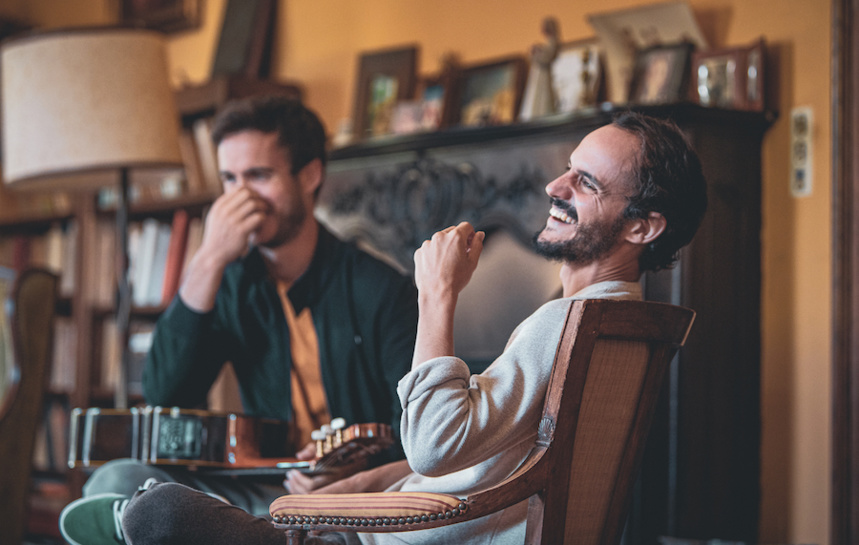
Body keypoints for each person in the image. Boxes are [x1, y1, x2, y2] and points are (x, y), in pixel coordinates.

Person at [123, 110, 706, 545]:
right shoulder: (613, 323)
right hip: (381, 513)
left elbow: (432, 444)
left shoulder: (563, 323)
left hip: (398, 534)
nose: (556, 187)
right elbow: (480, 452)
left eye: (587, 183)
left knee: (159, 512)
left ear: (643, 227)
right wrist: (357, 488)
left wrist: (438, 294)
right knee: (140, 488)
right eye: (567, 170)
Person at [59, 96, 418, 545]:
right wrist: (208, 258)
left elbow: (421, 444)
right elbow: (165, 395)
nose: (241, 196)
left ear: (310, 175)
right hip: (261, 492)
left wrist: (348, 484)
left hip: (359, 499)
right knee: (118, 481)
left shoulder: (382, 289)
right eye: (230, 179)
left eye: (259, 176)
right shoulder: (233, 281)